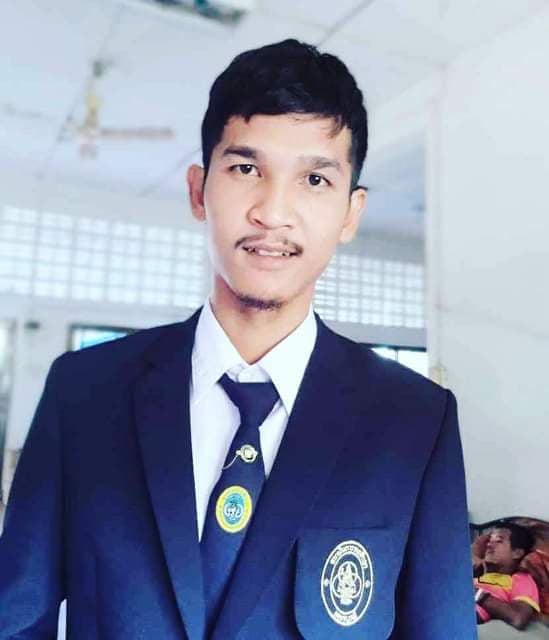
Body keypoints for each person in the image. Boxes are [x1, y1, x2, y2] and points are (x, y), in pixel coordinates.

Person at [0, 39, 477, 639]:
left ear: (351, 214)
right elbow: (16, 620)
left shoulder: (415, 421)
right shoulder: (85, 392)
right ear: (199, 190)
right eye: (246, 169)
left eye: (314, 179)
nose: (273, 212)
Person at [475, 523, 540, 629]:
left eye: (498, 541)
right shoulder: (475, 572)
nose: (489, 545)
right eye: (489, 540)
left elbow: (518, 617)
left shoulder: (521, 579)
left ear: (517, 553)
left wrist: (475, 593)